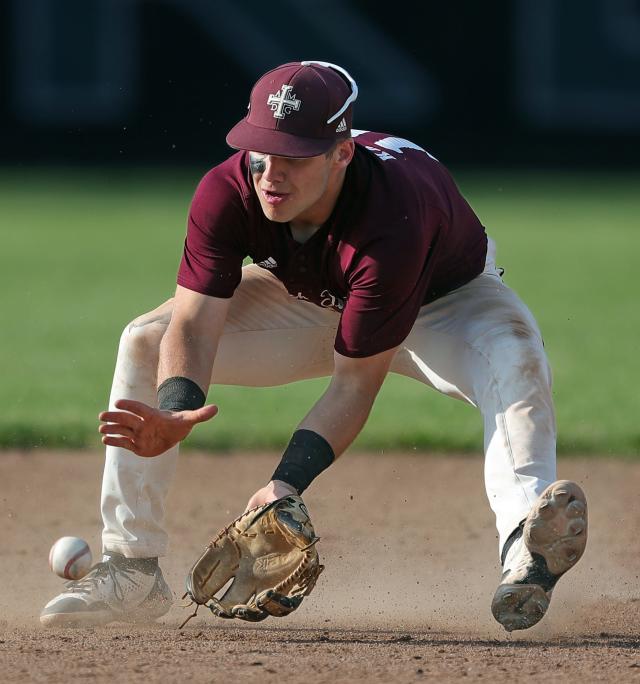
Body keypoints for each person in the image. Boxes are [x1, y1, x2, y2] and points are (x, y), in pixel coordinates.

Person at [40, 61, 587, 631]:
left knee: (517, 361)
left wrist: (286, 482)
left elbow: (355, 385)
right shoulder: (227, 189)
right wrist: (175, 408)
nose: (272, 174)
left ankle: (526, 544)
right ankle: (130, 567)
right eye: (261, 151)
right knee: (146, 339)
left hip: (446, 304)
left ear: (342, 153)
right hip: (309, 298)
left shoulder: (393, 214)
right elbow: (194, 325)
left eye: (295, 156)